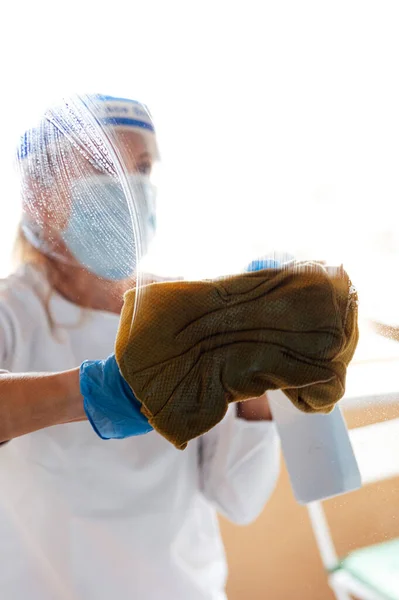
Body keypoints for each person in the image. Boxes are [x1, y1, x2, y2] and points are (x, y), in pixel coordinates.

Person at [0, 94, 280, 600]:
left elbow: (238, 499)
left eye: (142, 168)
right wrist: (95, 394)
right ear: (40, 190)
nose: (128, 188)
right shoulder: (11, 314)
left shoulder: (189, 311)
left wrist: (259, 376)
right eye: (100, 165)